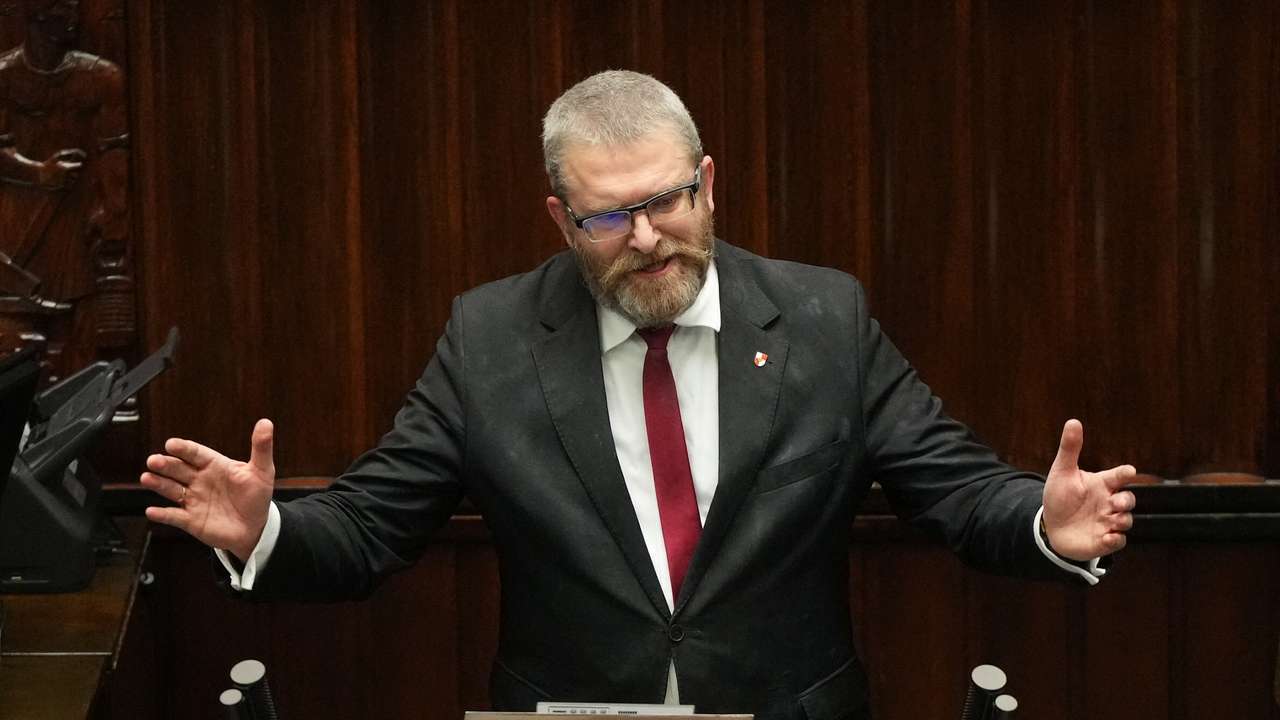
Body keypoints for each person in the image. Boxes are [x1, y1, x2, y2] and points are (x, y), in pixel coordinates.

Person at [141, 70, 1136, 719]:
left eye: (664, 201)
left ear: (706, 182)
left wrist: (1041, 523)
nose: (647, 237)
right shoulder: (489, 338)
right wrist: (265, 533)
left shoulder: (822, 320)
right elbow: (369, 529)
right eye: (608, 216)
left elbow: (956, 491)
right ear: (559, 216)